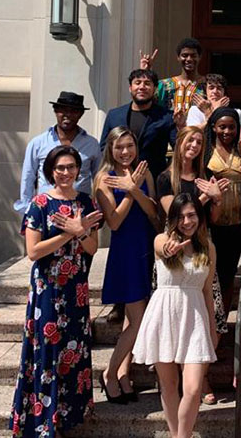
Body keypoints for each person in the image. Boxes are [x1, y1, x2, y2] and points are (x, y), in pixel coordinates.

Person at [9, 145, 102, 438]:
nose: (66, 172)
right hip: (47, 287)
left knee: (73, 349)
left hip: (75, 287)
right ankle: (45, 420)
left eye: (71, 167)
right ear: (51, 170)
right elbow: (33, 251)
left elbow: (92, 248)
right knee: (48, 350)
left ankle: (68, 414)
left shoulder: (86, 202)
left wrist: (82, 231)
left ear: (78, 170)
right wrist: (69, 232)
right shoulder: (39, 203)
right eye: (60, 167)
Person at [132, 193, 217, 438]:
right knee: (169, 386)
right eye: (180, 217)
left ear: (200, 218)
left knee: (192, 388)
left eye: (191, 215)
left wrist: (212, 327)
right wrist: (169, 249)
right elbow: (162, 248)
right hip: (164, 316)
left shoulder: (208, 247)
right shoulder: (162, 239)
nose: (186, 221)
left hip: (196, 318)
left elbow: (208, 292)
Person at [94, 127, 158, 404]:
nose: (125, 152)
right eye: (119, 147)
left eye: (129, 146)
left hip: (146, 246)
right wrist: (131, 191)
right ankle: (109, 372)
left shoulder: (145, 172)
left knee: (133, 320)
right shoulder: (104, 179)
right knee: (139, 320)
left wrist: (137, 187)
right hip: (125, 252)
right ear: (111, 148)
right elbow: (115, 222)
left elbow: (155, 213)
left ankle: (123, 373)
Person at [155, 126, 229, 363]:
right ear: (179, 143)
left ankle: (201, 371)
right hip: (175, 250)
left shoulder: (206, 176)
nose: (194, 146)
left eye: (199, 142)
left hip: (202, 248)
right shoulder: (166, 178)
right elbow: (173, 215)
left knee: (209, 310)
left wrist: (217, 199)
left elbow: (213, 218)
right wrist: (207, 197)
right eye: (190, 140)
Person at [14, 91, 100, 213]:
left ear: (81, 114)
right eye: (63, 110)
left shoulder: (91, 144)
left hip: (81, 211)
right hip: (46, 210)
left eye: (74, 111)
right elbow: (28, 177)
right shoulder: (38, 143)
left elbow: (100, 178)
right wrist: (28, 209)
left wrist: (100, 208)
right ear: (55, 111)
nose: (67, 115)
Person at [203, 107, 241, 314]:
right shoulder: (206, 150)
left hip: (236, 224)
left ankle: (221, 328)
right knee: (208, 274)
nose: (227, 131)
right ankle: (208, 321)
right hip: (211, 223)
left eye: (231, 127)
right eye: (222, 127)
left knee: (228, 275)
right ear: (213, 127)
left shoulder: (240, 151)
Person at [101, 69, 184, 182]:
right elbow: (104, 148)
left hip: (153, 180)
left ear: (155, 89)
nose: (142, 87)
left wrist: (181, 126)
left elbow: (178, 148)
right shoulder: (114, 115)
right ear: (130, 88)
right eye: (137, 82)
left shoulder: (167, 117)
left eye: (147, 83)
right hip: (117, 179)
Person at [155, 38, 205, 114]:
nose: (189, 59)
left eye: (193, 56)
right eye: (185, 55)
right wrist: (145, 71)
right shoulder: (163, 85)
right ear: (178, 57)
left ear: (199, 57)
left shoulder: (208, 86)